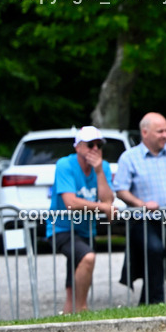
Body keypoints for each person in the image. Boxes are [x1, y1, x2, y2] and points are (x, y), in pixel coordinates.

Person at [113, 112, 166, 305]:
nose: (165, 135)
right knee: (155, 250)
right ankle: (156, 301)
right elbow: (121, 190)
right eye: (160, 131)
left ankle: (149, 300)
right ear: (145, 132)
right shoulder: (130, 158)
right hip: (144, 220)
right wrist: (141, 204)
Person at [47, 126, 117, 314]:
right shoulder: (65, 165)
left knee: (73, 284)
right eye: (90, 145)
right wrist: (102, 207)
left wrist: (100, 172)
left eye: (99, 145)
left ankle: (69, 317)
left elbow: (108, 200)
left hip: (87, 229)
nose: (95, 149)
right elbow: (70, 202)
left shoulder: (104, 167)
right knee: (87, 258)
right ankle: (82, 310)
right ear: (77, 147)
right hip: (60, 228)